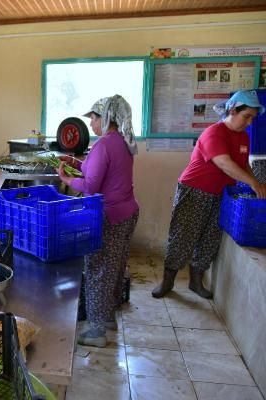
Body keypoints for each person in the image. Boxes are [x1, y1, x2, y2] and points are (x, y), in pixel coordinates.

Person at [152, 90, 266, 299]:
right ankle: (167, 282)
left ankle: (196, 281)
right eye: (246, 116)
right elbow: (224, 163)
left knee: (210, 238)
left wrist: (256, 183)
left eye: (252, 118)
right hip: (195, 191)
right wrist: (252, 182)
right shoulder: (214, 133)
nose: (249, 122)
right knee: (183, 236)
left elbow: (243, 165)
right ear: (232, 109)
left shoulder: (243, 137)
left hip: (222, 194)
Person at [57, 95, 139, 348]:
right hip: (128, 212)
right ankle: (107, 318)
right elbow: (99, 170)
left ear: (105, 119)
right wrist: (75, 163)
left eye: (93, 117)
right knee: (113, 267)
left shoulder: (104, 144)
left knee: (97, 269)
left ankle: (96, 330)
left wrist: (66, 178)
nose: (91, 123)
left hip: (109, 216)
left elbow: (91, 186)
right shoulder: (122, 142)